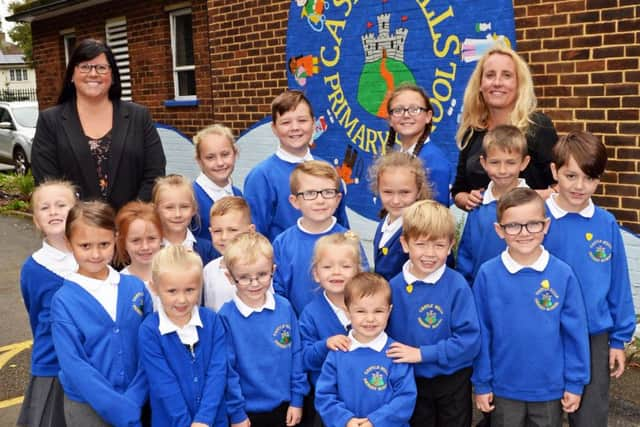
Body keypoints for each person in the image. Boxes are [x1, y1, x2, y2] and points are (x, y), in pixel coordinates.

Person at [472, 188, 590, 427]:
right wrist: (482, 383)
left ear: (546, 226)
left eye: (533, 224)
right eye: (513, 226)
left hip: (549, 388)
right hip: (503, 388)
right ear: (499, 230)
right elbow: (481, 333)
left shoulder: (562, 274)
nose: (524, 233)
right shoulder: (487, 274)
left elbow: (575, 334)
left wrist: (575, 383)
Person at [543, 131, 636, 427]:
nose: (580, 186)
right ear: (555, 171)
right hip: (545, 333)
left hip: (592, 335)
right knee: (541, 414)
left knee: (591, 416)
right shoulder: (535, 218)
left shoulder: (606, 223)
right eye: (571, 176)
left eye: (590, 177)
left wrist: (619, 339)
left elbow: (618, 284)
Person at [31, 38, 165, 211]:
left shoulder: (139, 117)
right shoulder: (50, 121)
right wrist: (85, 225)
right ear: (72, 74)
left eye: (101, 67)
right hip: (75, 231)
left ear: (113, 75)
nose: (93, 74)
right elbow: (47, 182)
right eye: (85, 67)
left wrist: (131, 220)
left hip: (132, 230)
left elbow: (154, 175)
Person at [51, 201, 152, 426]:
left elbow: (150, 344)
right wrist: (119, 407)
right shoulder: (64, 301)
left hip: (137, 400)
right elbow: (73, 363)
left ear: (116, 238)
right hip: (87, 407)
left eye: (104, 244)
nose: (96, 254)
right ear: (69, 243)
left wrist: (135, 397)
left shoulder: (135, 288)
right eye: (85, 246)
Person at [386, 200, 481, 427]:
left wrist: (422, 354)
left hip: (453, 381)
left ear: (450, 246)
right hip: (410, 382)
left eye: (439, 245)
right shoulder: (392, 288)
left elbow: (470, 341)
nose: (430, 254)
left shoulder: (457, 285)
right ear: (405, 244)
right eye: (421, 244)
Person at [452, 44, 557, 211]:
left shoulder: (538, 127)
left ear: (518, 84)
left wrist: (524, 199)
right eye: (490, 75)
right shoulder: (472, 130)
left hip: (529, 230)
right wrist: (468, 199)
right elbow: (459, 191)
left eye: (506, 75)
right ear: (480, 84)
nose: (497, 82)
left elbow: (561, 186)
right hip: (483, 229)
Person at [219, 231, 309, 427]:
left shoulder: (284, 307)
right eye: (244, 277)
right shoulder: (225, 317)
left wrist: (297, 399)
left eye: (261, 274)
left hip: (286, 408)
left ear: (273, 271)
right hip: (247, 414)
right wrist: (236, 413)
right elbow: (227, 370)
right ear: (229, 276)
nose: (254, 283)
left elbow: (296, 355)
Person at [243, 89, 350, 241]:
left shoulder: (328, 170)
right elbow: (256, 236)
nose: (295, 128)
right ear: (274, 128)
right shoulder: (261, 176)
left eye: (302, 120)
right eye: (286, 122)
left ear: (313, 123)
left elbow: (341, 224)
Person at [138, 245, 227, 427]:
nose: (182, 299)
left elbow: (217, 372)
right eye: (172, 291)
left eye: (190, 290)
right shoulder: (149, 331)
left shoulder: (213, 322)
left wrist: (204, 419)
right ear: (154, 288)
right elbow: (163, 384)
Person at [315, 272, 417, 427]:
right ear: (348, 312)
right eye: (361, 311)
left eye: (378, 311)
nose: (370, 319)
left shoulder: (396, 353)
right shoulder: (339, 352)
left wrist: (375, 421)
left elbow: (405, 398)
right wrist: (345, 420)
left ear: (389, 311)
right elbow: (324, 395)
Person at [273, 160, 368, 316]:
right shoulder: (282, 243)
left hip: (345, 328)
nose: (320, 200)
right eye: (310, 193)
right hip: (299, 328)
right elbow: (278, 291)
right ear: (295, 201)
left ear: (338, 199)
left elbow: (363, 286)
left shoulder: (350, 240)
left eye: (327, 192)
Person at [18, 180, 77, 427]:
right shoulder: (33, 269)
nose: (53, 211)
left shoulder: (94, 256)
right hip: (52, 368)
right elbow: (35, 316)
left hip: (95, 365)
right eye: (44, 208)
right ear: (36, 220)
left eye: (61, 205)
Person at [298, 232, 363, 425]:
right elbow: (305, 358)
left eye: (345, 266)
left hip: (365, 397)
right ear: (316, 274)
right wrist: (325, 345)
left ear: (358, 271)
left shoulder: (369, 308)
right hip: (329, 403)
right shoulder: (311, 313)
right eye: (327, 267)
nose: (336, 272)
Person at [457, 125, 530, 284]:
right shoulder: (478, 204)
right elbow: (466, 254)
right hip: (482, 289)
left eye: (510, 162)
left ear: (524, 163)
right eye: (495, 162)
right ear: (483, 163)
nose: (502, 170)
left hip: (524, 289)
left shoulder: (534, 206)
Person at [384, 83, 452, 206]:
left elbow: (436, 218)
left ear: (428, 116)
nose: (406, 115)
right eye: (398, 110)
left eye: (414, 109)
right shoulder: (395, 158)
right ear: (390, 120)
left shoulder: (435, 162)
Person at [369, 151, 431, 281]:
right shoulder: (384, 224)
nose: (396, 200)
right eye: (388, 192)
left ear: (418, 190)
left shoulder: (423, 230)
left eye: (404, 192)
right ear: (377, 189)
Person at [191, 124, 242, 244]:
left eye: (225, 154)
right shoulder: (191, 197)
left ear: (235, 154)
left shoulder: (238, 194)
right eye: (210, 157)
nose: (220, 163)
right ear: (199, 161)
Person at [202, 196, 255, 311]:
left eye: (232, 230)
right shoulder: (209, 270)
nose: (224, 237)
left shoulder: (259, 268)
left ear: (250, 231)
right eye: (217, 231)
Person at [152, 174, 216, 266]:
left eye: (184, 207)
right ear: (156, 210)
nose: (177, 214)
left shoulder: (208, 250)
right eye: (169, 207)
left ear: (194, 209)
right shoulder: (148, 250)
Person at [115, 200, 163, 310]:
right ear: (123, 242)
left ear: (161, 237)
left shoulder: (175, 273)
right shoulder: (119, 283)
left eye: (151, 239)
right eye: (136, 240)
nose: (145, 247)